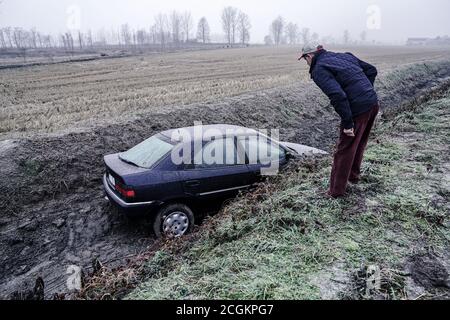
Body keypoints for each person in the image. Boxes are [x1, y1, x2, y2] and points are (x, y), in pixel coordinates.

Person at [299, 45, 379, 198]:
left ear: (309, 56)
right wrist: (365, 92)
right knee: (359, 142)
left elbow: (337, 95)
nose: (306, 63)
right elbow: (371, 70)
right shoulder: (345, 56)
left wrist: (348, 123)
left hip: (358, 109)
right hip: (372, 103)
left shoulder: (319, 69)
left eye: (304, 59)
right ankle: (353, 177)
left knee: (344, 149)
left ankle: (335, 192)